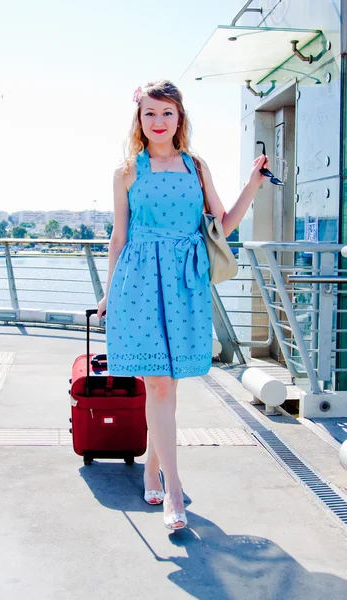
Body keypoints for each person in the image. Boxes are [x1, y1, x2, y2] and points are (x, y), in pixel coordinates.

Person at [96, 80, 268, 530]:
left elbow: (222, 224)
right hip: (138, 281)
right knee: (159, 386)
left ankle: (153, 468)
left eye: (166, 113)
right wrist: (108, 292)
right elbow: (119, 236)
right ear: (139, 118)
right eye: (150, 113)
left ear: (180, 117)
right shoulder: (126, 171)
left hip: (186, 281)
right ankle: (175, 490)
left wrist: (252, 184)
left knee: (169, 386)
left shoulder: (197, 166)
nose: (158, 122)